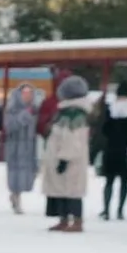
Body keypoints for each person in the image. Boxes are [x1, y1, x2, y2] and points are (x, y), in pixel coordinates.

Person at [44, 75, 94, 232]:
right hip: (61, 157)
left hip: (69, 159)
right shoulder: (65, 112)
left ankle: (77, 221)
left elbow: (73, 139)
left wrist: (64, 159)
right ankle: (63, 219)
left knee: (72, 191)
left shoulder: (74, 114)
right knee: (62, 191)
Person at [100, 82, 127, 221]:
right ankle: (120, 210)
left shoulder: (110, 109)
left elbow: (103, 130)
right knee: (125, 182)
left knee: (109, 181)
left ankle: (106, 210)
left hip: (111, 149)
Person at [3, 83, 40, 215]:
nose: (27, 96)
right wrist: (25, 115)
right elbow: (9, 126)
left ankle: (17, 196)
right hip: (15, 146)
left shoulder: (35, 109)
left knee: (31, 173)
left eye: (30, 93)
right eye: (25, 92)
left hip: (31, 147)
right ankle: (16, 198)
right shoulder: (12, 109)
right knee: (16, 175)